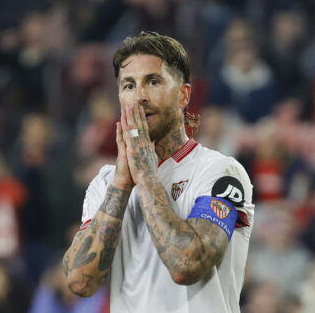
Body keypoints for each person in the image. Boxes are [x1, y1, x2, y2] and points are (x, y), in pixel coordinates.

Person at [62, 32, 255, 312]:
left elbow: (186, 265)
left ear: (183, 95)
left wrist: (146, 177)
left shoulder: (221, 172)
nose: (140, 96)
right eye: (129, 86)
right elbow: (80, 283)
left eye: (153, 82)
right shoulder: (105, 182)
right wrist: (121, 183)